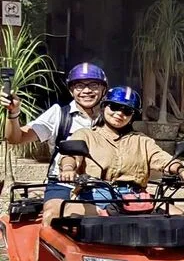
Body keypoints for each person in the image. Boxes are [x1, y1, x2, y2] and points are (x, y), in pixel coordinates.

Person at [2, 62, 108, 225]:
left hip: (102, 184)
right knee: (51, 215)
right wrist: (13, 112)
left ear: (103, 89)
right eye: (79, 86)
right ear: (71, 90)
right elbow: (16, 138)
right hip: (63, 183)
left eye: (93, 85)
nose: (86, 91)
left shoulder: (114, 115)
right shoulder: (60, 114)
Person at [57, 87, 184, 212]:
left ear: (132, 116)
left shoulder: (141, 140)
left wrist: (181, 170)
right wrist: (69, 169)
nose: (119, 113)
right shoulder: (85, 134)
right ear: (104, 107)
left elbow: (161, 158)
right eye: (115, 107)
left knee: (177, 215)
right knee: (73, 215)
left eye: (127, 111)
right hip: (96, 195)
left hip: (135, 197)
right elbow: (72, 155)